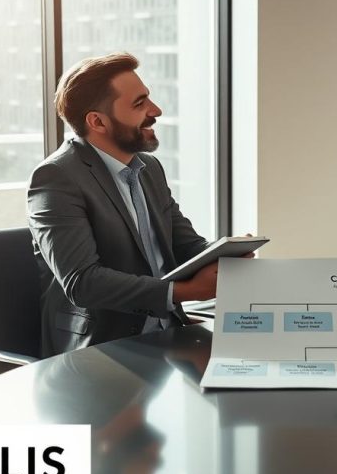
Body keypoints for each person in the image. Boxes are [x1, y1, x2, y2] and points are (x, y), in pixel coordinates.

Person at [28, 52, 218, 357]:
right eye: (139, 104)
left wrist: (226, 256)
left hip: (168, 333)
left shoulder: (149, 168)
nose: (156, 111)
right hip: (101, 348)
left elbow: (186, 245)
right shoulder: (57, 177)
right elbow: (83, 282)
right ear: (97, 121)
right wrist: (184, 292)